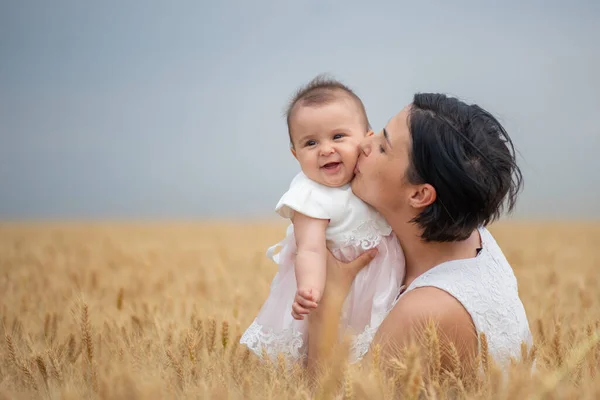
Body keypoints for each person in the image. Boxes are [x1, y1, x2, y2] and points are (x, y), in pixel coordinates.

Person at [305, 92, 533, 373]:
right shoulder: (474, 236)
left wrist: (328, 300)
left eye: (383, 147)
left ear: (420, 194)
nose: (364, 143)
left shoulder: (426, 311)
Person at [240, 75, 406, 364]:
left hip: (382, 281)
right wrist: (311, 288)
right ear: (296, 154)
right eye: (311, 142)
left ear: (367, 139)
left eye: (338, 136)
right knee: (342, 354)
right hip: (342, 290)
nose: (325, 149)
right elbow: (311, 248)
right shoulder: (309, 194)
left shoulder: (367, 177)